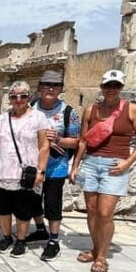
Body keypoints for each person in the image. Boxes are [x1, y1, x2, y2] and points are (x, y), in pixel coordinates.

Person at [69, 69, 136, 272]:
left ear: (121, 88)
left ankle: (102, 256)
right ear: (102, 87)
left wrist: (127, 163)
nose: (112, 89)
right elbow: (84, 140)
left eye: (116, 86)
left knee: (105, 213)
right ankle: (95, 249)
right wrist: (76, 165)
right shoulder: (91, 110)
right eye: (108, 85)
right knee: (92, 210)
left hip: (115, 164)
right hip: (91, 163)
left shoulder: (133, 110)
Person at [0, 81, 49, 257]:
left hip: (26, 172)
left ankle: (21, 240)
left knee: (23, 209)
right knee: (3, 208)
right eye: (14, 96)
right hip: (3, 170)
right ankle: (7, 236)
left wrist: (41, 170)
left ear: (28, 97)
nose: (18, 100)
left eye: (22, 96)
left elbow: (44, 146)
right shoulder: (1, 119)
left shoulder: (38, 118)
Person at [26, 70, 80, 261]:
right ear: (40, 87)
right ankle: (40, 229)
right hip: (32, 164)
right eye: (46, 84)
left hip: (56, 166)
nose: (50, 88)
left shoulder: (68, 112)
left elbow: (75, 142)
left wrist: (58, 138)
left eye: (55, 85)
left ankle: (54, 240)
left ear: (61, 89)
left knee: (52, 203)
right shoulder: (30, 106)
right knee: (32, 200)